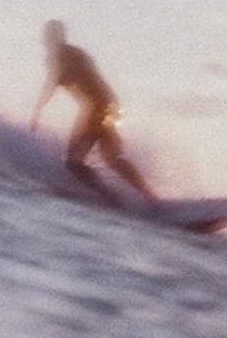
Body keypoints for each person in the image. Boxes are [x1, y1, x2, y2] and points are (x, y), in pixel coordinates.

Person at [30, 20, 155, 202]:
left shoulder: (62, 55)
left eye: (50, 34)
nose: (47, 38)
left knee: (74, 163)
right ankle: (150, 200)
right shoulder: (73, 53)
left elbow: (54, 82)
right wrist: (114, 109)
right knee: (112, 158)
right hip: (107, 105)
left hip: (96, 108)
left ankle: (113, 200)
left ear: (55, 36)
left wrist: (37, 111)